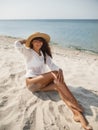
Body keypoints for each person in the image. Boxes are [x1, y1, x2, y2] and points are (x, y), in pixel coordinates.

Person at [14, 32, 92, 130]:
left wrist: (60, 70)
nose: (39, 43)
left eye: (40, 41)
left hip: (42, 85)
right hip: (32, 83)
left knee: (58, 85)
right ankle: (77, 105)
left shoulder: (44, 54)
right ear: (32, 42)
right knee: (53, 74)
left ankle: (77, 114)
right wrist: (27, 40)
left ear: (43, 43)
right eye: (36, 40)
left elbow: (53, 65)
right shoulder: (28, 52)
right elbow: (16, 44)